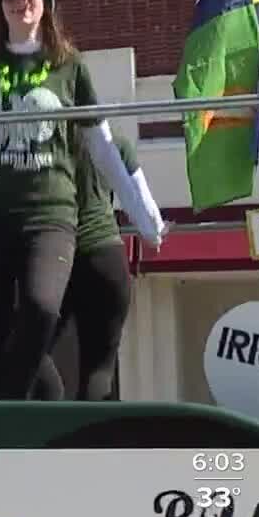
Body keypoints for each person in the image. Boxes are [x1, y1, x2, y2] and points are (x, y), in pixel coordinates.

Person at [0, 0, 165, 400]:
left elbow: (105, 146)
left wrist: (145, 219)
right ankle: (20, 429)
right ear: (0, 7)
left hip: (50, 215)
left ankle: (8, 414)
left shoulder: (70, 66)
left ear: (46, 3)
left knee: (40, 307)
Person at [56, 133, 159, 400]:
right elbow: (144, 204)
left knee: (28, 353)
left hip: (59, 255)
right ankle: (94, 438)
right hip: (107, 256)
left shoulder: (47, 146)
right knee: (99, 370)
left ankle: (47, 420)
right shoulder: (116, 143)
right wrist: (154, 233)